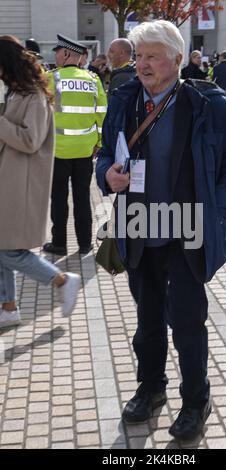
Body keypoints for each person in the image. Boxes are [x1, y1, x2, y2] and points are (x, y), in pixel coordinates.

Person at [96, 20, 226, 441]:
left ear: (178, 60)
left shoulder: (207, 105)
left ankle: (196, 400)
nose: (142, 64)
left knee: (187, 324)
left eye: (152, 56)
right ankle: (150, 388)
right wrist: (105, 176)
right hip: (138, 226)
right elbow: (104, 156)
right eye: (139, 55)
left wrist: (218, 215)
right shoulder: (125, 100)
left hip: (187, 230)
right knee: (147, 322)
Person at [0, 35, 80, 329]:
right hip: (9, 182)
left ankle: (61, 279)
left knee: (9, 250)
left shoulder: (33, 96)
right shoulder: (15, 93)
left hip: (21, 185)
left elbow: (30, 140)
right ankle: (8, 307)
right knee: (1, 247)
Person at [43, 34, 107, 256]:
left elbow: (41, 114)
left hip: (58, 151)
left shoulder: (51, 78)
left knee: (58, 198)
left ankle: (59, 243)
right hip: (85, 151)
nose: (56, 56)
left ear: (67, 54)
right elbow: (102, 115)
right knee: (82, 198)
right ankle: (84, 244)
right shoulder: (92, 79)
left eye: (58, 52)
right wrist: (98, 143)